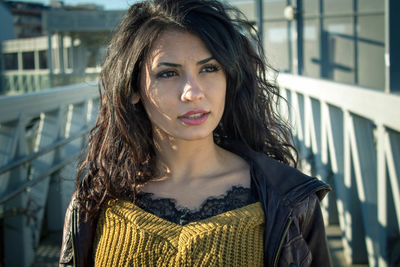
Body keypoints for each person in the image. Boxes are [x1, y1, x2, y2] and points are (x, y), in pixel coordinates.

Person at [59, 0, 332, 266]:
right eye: (168, 74)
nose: (193, 92)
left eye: (209, 69)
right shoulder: (94, 198)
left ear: (230, 78)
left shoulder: (290, 200)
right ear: (133, 89)